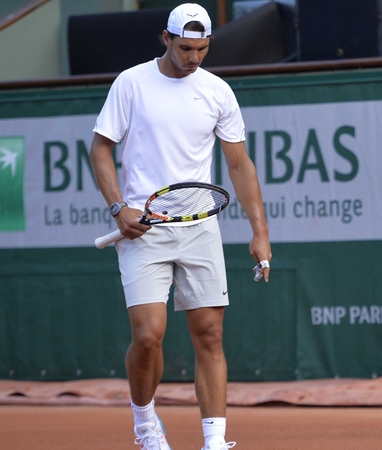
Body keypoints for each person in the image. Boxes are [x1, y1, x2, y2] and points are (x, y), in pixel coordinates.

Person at [89, 3, 271, 449]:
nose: (194, 57)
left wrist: (259, 232)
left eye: (203, 49)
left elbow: (239, 164)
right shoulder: (131, 83)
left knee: (210, 334)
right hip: (142, 227)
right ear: (165, 39)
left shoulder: (218, 91)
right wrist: (118, 208)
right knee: (148, 337)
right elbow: (100, 149)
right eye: (185, 48)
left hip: (199, 226)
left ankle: (215, 441)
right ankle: (146, 422)